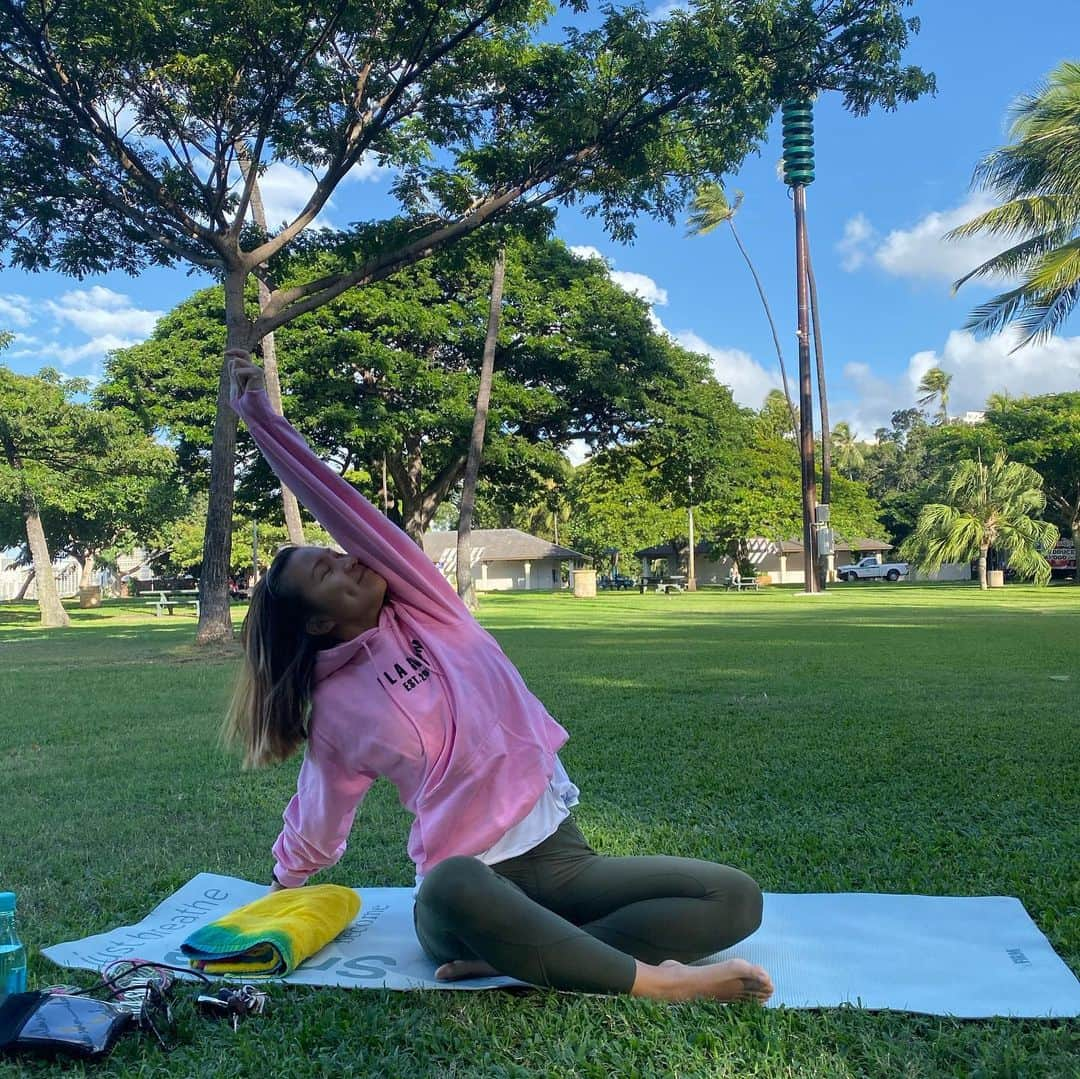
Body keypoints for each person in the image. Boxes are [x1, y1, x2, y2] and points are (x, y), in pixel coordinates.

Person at [223, 349, 773, 1004]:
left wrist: (264, 420)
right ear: (315, 624)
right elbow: (320, 813)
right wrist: (285, 888)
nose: (349, 559)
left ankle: (527, 957)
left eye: (338, 551)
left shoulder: (429, 605)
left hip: (563, 860)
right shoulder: (337, 707)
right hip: (468, 892)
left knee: (734, 897)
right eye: (327, 571)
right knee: (450, 883)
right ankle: (654, 982)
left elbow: (346, 508)